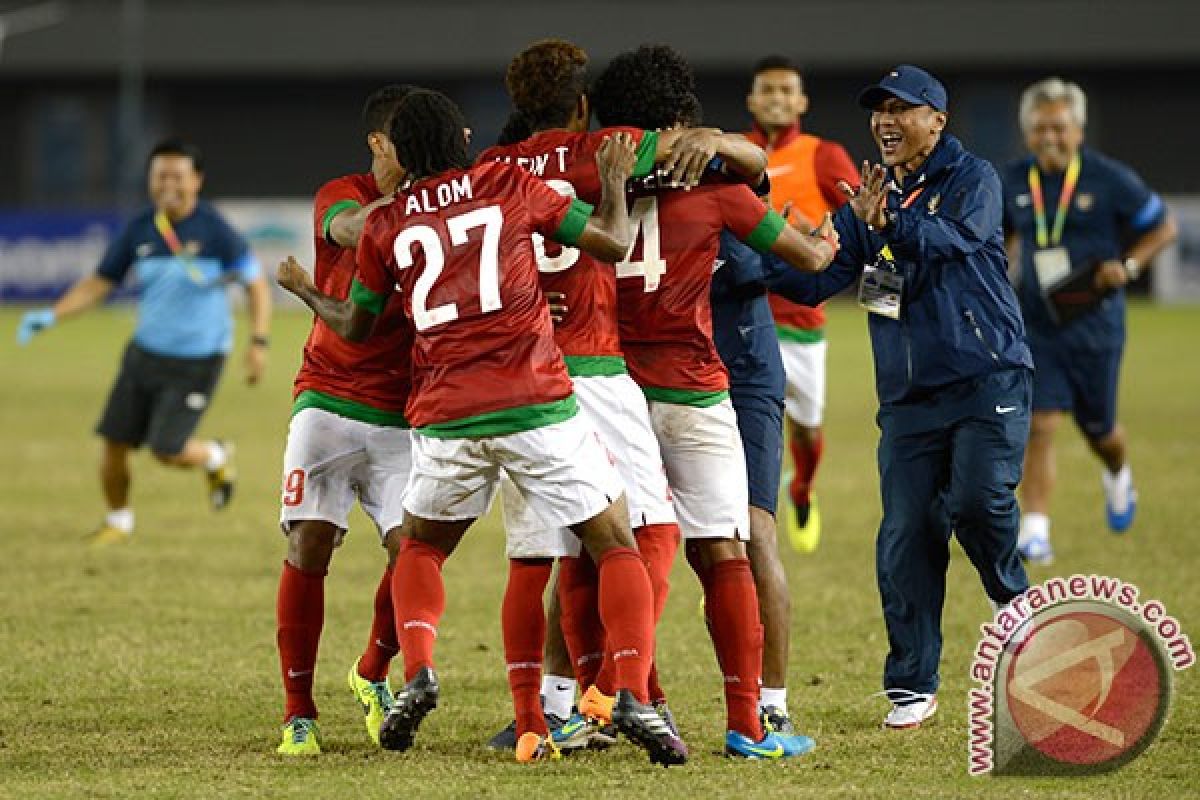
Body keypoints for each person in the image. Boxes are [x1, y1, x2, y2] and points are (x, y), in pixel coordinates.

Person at [278, 89, 686, 767]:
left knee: (421, 549)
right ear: (461, 141)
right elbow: (611, 242)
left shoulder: (389, 224)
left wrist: (306, 290)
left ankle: (420, 670)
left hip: (444, 413)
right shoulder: (506, 182)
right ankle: (633, 692)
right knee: (616, 543)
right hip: (536, 403)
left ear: (401, 151)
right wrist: (614, 180)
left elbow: (355, 322)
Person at [477, 38, 773, 753]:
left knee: (563, 553)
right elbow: (790, 232)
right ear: (584, 107)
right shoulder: (625, 153)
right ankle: (687, 706)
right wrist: (716, 140)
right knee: (696, 543)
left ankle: (548, 709)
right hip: (658, 380)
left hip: (536, 375)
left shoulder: (490, 170)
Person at [768, 65, 1032, 729]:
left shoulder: (974, 180)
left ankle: (1011, 597)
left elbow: (957, 241)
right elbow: (815, 278)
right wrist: (769, 247)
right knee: (907, 535)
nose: (886, 121)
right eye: (878, 111)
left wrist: (889, 224)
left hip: (985, 376)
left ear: (936, 120)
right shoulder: (870, 197)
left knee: (976, 502)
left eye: (902, 109)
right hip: (910, 399)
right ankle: (912, 683)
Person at [591, 44, 836, 758]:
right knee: (723, 550)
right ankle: (747, 726)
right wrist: (829, 235)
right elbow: (810, 260)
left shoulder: (588, 182)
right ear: (679, 118)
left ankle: (629, 696)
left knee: (618, 549)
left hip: (612, 389)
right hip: (694, 389)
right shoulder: (721, 190)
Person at [16, 138, 270, 544]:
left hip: (197, 359)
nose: (168, 184)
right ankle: (119, 520)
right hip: (144, 352)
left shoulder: (216, 230)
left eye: (177, 176)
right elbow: (99, 282)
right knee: (114, 441)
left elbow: (256, 284)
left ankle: (215, 456)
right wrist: (52, 315)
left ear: (197, 181)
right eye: (160, 176)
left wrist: (258, 342)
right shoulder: (139, 229)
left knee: (166, 450)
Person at [273, 84, 418, 756]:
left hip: (403, 409)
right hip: (327, 397)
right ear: (378, 143)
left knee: (412, 552)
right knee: (310, 544)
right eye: (402, 140)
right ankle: (298, 712)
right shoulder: (345, 191)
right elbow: (349, 229)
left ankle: (371, 672)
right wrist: (421, 206)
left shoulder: (439, 200)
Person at [1001, 77, 1177, 565]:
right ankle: (1035, 528)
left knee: (1101, 432)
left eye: (1059, 127)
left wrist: (1131, 267)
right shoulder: (1014, 180)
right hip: (1037, 322)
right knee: (1039, 423)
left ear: (1079, 130)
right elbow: (1002, 238)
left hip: (1094, 323)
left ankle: (1118, 473)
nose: (1049, 138)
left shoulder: (1108, 178)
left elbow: (1164, 227)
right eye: (1039, 129)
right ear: (1027, 132)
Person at [745, 55, 859, 552]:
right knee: (740, 425)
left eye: (786, 90)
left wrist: (818, 239)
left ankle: (803, 486)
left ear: (802, 101)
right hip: (745, 312)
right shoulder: (733, 151)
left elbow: (857, 220)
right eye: (767, 90)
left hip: (802, 319)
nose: (776, 98)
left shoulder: (822, 154)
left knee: (807, 429)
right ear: (751, 100)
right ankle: (742, 523)